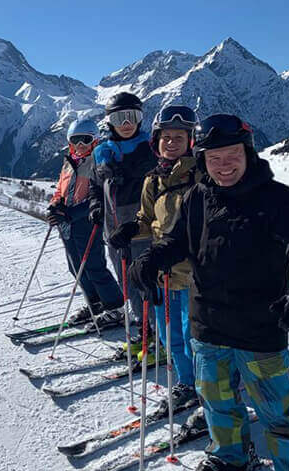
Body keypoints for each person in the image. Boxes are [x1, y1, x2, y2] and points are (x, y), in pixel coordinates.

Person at [127, 113, 289, 471]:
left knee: (279, 413)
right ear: (202, 159)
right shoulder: (197, 198)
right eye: (214, 157)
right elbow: (177, 241)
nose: (223, 165)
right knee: (217, 401)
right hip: (207, 324)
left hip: (260, 327)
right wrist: (152, 259)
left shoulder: (279, 200)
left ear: (248, 153)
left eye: (231, 155)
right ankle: (231, 456)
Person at [112, 105, 201, 407]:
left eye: (179, 136)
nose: (172, 142)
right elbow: (146, 218)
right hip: (163, 272)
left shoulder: (202, 176)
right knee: (169, 334)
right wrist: (129, 230)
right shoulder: (153, 179)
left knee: (195, 337)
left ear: (191, 140)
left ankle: (207, 388)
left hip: (194, 273)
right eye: (166, 137)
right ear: (157, 140)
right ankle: (186, 383)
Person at [88, 92, 156, 333]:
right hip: (113, 234)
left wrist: (127, 172)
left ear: (140, 119)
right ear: (109, 122)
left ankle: (157, 334)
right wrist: (96, 205)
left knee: (146, 283)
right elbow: (95, 187)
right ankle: (143, 328)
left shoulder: (150, 149)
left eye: (132, 117)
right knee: (126, 285)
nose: (126, 124)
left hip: (142, 232)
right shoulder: (101, 153)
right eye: (119, 118)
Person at [47, 119, 124, 325]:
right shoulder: (69, 163)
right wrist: (55, 205)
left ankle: (115, 307)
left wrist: (72, 213)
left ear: (95, 140)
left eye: (85, 140)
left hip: (88, 221)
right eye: (75, 140)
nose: (80, 145)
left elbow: (97, 197)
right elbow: (59, 190)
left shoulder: (98, 162)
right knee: (75, 267)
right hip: (67, 224)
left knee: (93, 266)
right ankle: (96, 302)